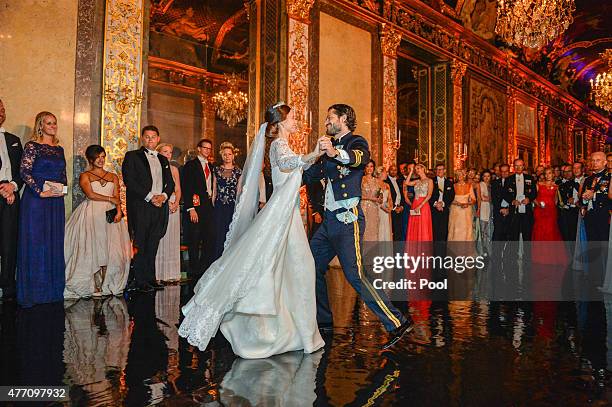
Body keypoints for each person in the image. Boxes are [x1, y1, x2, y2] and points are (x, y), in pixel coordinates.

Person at [179, 103, 325, 358]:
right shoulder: (279, 145)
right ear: (280, 121)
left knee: (291, 268)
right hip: (281, 215)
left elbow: (297, 168)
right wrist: (313, 152)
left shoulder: (284, 144)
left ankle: (290, 329)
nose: (296, 121)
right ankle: (286, 331)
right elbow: (289, 162)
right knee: (294, 267)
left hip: (287, 213)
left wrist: (315, 157)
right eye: (292, 117)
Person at [304, 104, 412, 349]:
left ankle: (397, 321)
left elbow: (358, 160)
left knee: (355, 274)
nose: (326, 122)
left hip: (347, 220)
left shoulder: (356, 142)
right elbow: (310, 175)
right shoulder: (327, 148)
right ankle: (324, 321)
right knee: (310, 266)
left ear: (343, 119)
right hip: (328, 221)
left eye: (330, 117)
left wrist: (334, 153)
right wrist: (300, 162)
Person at [64, 145, 130, 298]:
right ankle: (94, 283)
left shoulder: (113, 176)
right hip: (91, 213)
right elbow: (91, 194)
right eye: (98, 157)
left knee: (110, 248)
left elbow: (117, 197)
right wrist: (109, 199)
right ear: (91, 159)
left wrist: (119, 212)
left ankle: (107, 282)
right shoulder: (85, 176)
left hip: (110, 214)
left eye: (103, 156)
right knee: (93, 245)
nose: (101, 160)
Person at [17, 112, 67, 307]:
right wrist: (40, 192)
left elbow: (62, 175)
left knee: (53, 241)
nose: (53, 126)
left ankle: (52, 292)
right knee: (36, 242)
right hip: (36, 200)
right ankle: (34, 293)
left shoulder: (59, 149)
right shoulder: (32, 146)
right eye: (49, 123)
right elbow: (24, 171)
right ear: (40, 126)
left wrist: (61, 190)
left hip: (54, 201)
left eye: (54, 123)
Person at [122, 125, 175, 293]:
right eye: (147, 137)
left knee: (153, 242)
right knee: (141, 243)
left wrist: (164, 197)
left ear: (158, 139)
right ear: (142, 139)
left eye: (153, 137)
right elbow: (129, 180)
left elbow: (170, 183)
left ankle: (150, 278)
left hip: (159, 206)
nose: (150, 139)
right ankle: (140, 280)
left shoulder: (163, 159)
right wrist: (150, 197)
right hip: (141, 206)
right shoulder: (132, 156)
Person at [0, 99, 23, 301]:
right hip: (2, 190)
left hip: (11, 195)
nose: (0, 112)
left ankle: (7, 286)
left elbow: (21, 171)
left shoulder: (13, 139)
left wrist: (13, 187)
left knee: (9, 241)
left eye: (2, 109)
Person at [182, 139, 215, 277]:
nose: (207, 150)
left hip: (208, 206)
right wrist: (191, 208)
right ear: (199, 148)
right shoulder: (190, 165)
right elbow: (187, 187)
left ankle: (204, 267)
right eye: (205, 148)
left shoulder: (212, 167)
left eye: (209, 148)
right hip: (195, 206)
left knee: (208, 238)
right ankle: (194, 270)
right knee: (194, 238)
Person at [580, 152, 610, 289]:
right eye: (593, 160)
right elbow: (582, 198)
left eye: (598, 160)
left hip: (603, 217)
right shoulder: (588, 179)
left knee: (604, 247)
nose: (595, 163)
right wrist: (584, 201)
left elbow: (609, 197)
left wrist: (594, 195)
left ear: (605, 162)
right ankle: (595, 277)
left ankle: (606, 278)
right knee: (593, 246)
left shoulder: (609, 177)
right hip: (590, 216)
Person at [154, 143, 182, 283]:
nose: (168, 154)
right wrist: (164, 202)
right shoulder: (154, 168)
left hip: (173, 207)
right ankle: (158, 275)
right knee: (160, 238)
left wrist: (176, 203)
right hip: (159, 204)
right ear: (158, 152)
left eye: (170, 152)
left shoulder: (174, 169)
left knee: (172, 238)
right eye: (165, 151)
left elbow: (177, 189)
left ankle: (171, 274)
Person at [212, 142, 242, 260]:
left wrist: (238, 205)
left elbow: (239, 190)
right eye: (225, 154)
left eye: (229, 154)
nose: (227, 156)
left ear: (233, 156)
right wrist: (214, 202)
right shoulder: (217, 170)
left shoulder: (238, 171)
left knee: (231, 230)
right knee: (219, 232)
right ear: (222, 156)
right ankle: (218, 258)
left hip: (232, 205)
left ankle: (229, 259)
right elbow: (214, 188)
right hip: (219, 205)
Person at [447, 169, 476, 242]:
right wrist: (456, 203)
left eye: (461, 174)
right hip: (455, 210)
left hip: (466, 211)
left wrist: (467, 204)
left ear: (464, 175)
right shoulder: (453, 186)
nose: (459, 176)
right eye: (458, 175)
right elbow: (449, 199)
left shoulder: (469, 186)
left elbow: (473, 199)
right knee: (455, 229)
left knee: (466, 229)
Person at [430, 164, 454, 243]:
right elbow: (428, 194)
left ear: (445, 171)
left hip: (444, 210)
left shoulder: (449, 183)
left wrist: (443, 204)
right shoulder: (431, 181)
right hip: (433, 209)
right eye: (437, 169)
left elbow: (451, 196)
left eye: (441, 169)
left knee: (444, 231)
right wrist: (435, 204)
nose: (439, 171)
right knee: (434, 231)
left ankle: (443, 253)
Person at [361, 160, 381, 242]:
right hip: (364, 207)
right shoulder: (361, 179)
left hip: (374, 208)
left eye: (371, 166)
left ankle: (372, 253)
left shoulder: (377, 180)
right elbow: (358, 195)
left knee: (373, 229)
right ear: (364, 168)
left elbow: (379, 194)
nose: (369, 168)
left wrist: (380, 199)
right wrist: (370, 198)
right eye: (367, 166)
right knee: (364, 229)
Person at [491, 164, 511, 242]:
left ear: (509, 171)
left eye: (506, 171)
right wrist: (501, 209)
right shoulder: (495, 183)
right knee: (497, 234)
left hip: (510, 212)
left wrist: (508, 209)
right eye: (502, 171)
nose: (504, 173)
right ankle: (496, 253)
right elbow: (494, 198)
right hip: (498, 211)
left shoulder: (514, 182)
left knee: (508, 235)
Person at [385, 164, 404, 241]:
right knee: (391, 230)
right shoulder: (385, 181)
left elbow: (402, 194)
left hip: (400, 209)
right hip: (391, 209)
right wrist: (394, 207)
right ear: (388, 171)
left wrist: (402, 206)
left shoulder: (399, 181)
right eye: (391, 169)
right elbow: (386, 197)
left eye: (395, 170)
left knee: (399, 230)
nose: (393, 171)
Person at [477, 170, 493, 257]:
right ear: (482, 177)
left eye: (488, 176)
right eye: (485, 176)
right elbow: (482, 198)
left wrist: (489, 199)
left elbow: (491, 198)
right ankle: (482, 250)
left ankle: (489, 249)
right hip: (483, 208)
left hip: (490, 208)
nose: (486, 178)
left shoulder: (491, 185)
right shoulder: (480, 185)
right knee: (483, 230)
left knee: (489, 229)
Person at [375, 166, 393, 243]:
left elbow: (390, 198)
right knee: (379, 228)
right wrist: (382, 207)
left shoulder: (387, 185)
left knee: (387, 229)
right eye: (386, 172)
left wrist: (390, 207)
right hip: (378, 208)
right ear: (381, 173)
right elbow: (376, 198)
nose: (387, 174)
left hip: (386, 210)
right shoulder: (375, 183)